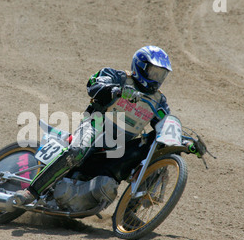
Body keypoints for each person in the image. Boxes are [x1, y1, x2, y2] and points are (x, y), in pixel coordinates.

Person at [15, 45, 173, 204]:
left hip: (121, 143)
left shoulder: (158, 101)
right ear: (141, 66)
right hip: (96, 123)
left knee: (159, 151)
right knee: (77, 151)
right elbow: (93, 83)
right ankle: (31, 191)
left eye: (162, 75)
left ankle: (131, 217)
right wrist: (116, 90)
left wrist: (182, 141)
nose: (157, 79)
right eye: (154, 73)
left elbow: (166, 123)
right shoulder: (118, 76)